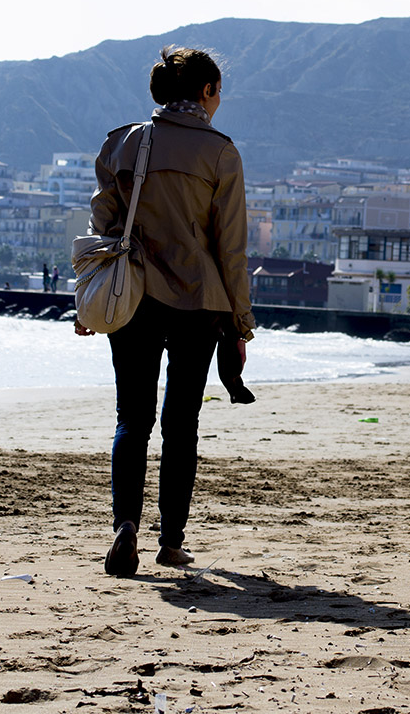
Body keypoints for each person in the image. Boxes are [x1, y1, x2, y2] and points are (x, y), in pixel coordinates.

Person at [76, 45, 254, 577]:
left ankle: (125, 525)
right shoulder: (220, 153)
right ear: (207, 91)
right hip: (199, 303)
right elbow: (231, 247)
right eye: (218, 91)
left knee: (131, 418)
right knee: (181, 423)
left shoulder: (123, 142)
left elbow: (102, 227)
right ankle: (171, 541)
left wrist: (87, 299)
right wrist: (241, 322)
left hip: (131, 296)